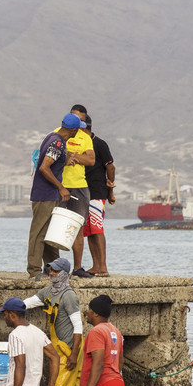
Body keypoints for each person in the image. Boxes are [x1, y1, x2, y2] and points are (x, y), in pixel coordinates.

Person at [34, 256, 85, 386]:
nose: (52, 274)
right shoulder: (47, 292)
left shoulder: (69, 296)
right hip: (59, 347)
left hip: (70, 349)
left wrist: (74, 354)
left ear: (64, 273)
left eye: (56, 271)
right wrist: (0, 309)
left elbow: (78, 327)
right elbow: (27, 303)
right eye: (50, 270)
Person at [27, 114, 75, 278]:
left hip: (46, 193)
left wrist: (65, 161)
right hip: (45, 195)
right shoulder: (58, 142)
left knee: (50, 233)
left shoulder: (51, 137)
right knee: (39, 232)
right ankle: (34, 271)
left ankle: (54, 270)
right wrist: (61, 188)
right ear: (73, 130)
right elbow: (44, 167)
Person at [79, 110, 116, 276]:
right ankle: (95, 266)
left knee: (97, 228)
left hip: (97, 191)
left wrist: (110, 189)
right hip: (84, 191)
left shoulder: (99, 143)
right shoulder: (82, 143)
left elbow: (111, 166)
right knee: (89, 231)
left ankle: (103, 267)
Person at [60, 108, 96, 275]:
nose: (78, 127)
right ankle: (52, 267)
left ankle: (77, 267)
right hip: (59, 184)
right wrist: (69, 156)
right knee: (54, 225)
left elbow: (91, 160)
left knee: (78, 227)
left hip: (79, 186)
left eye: (81, 122)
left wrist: (73, 156)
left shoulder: (85, 138)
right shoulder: (57, 134)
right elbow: (57, 155)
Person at [80, 295, 125, 386]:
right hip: (118, 385)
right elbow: (121, 361)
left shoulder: (96, 332)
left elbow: (98, 364)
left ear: (95, 314)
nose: (86, 313)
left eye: (88, 310)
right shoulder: (116, 331)